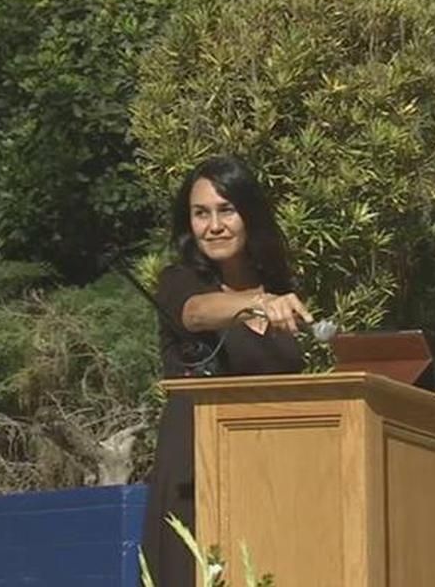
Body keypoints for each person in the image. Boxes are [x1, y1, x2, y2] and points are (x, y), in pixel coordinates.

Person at [140, 155, 313, 585]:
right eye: (201, 214)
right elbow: (196, 314)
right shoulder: (179, 281)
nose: (213, 225)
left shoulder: (283, 292)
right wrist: (253, 306)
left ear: (249, 215)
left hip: (271, 472)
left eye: (225, 210)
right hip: (194, 469)